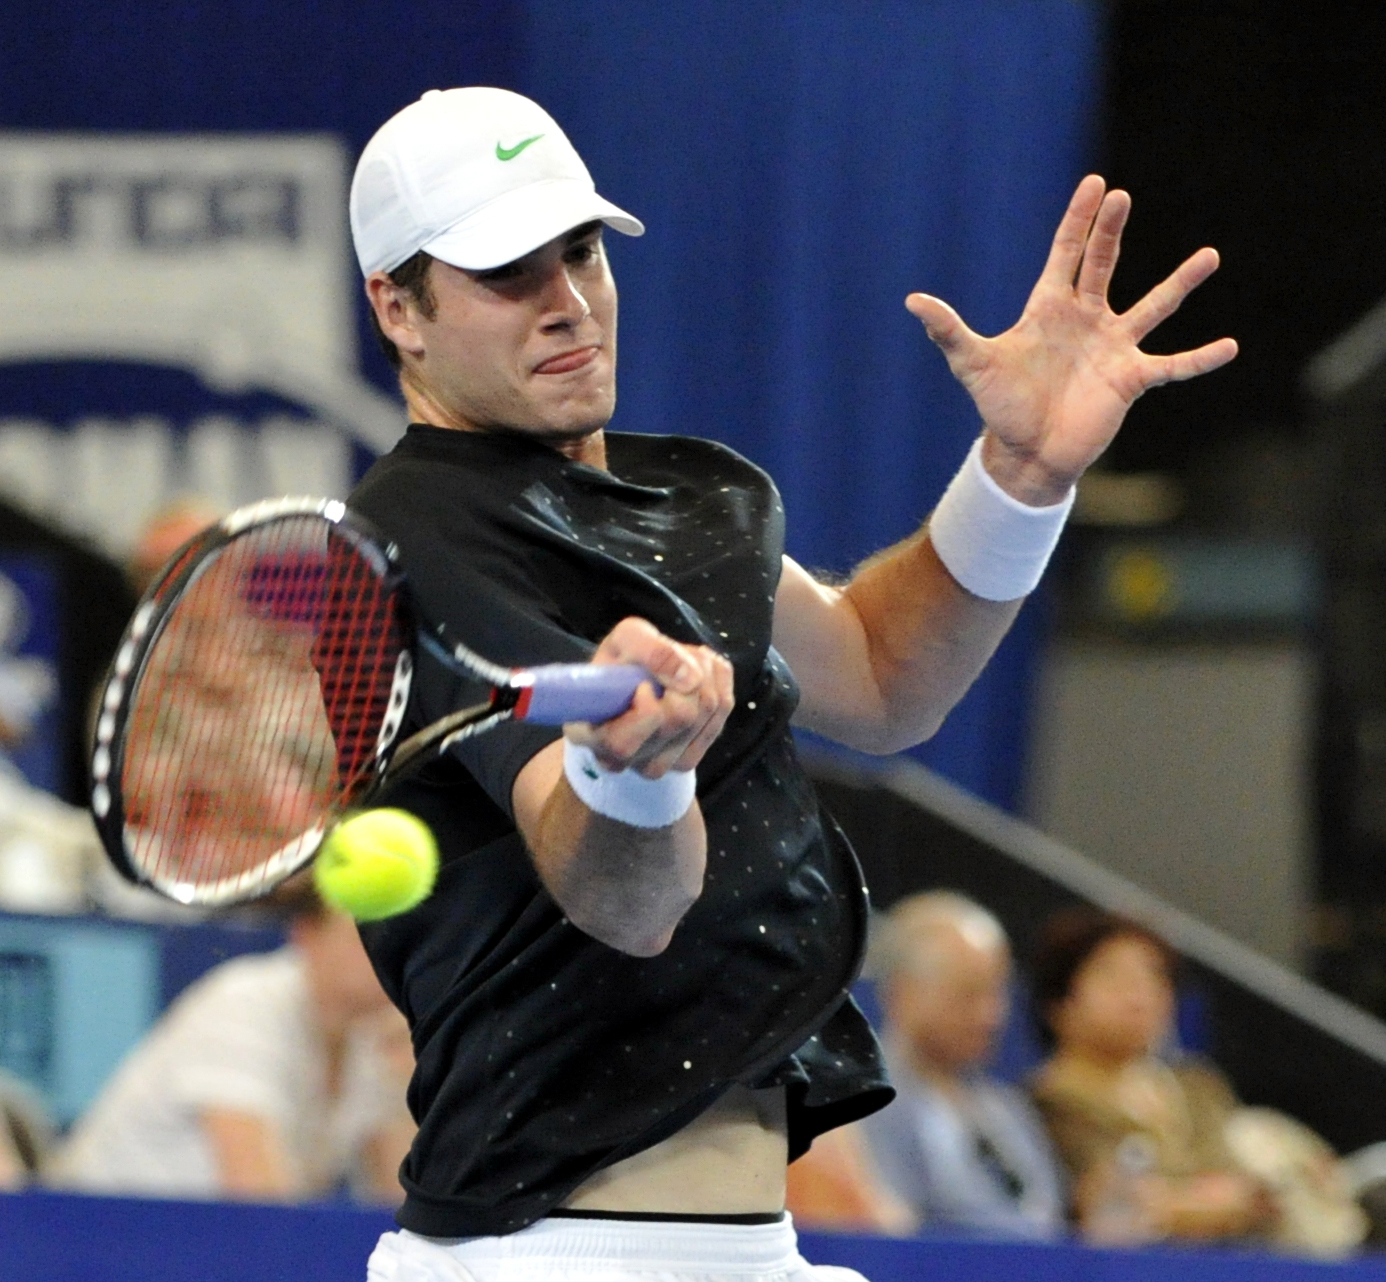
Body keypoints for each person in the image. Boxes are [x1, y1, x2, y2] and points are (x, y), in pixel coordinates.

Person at [345, 86, 1236, 1280]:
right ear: (396, 307)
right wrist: (636, 772)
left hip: (754, 1248)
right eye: (510, 273)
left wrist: (1017, 476)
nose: (569, 303)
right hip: (543, 1256)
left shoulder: (689, 499)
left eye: (583, 252)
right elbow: (626, 901)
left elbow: (882, 677)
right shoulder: (407, 536)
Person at [48, 885, 414, 1205]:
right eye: (366, 934)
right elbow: (261, 1206)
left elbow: (398, 1206)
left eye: (400, 937)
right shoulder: (242, 1005)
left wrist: (411, 1086)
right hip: (91, 1249)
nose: (389, 953)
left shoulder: (373, 1038)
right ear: (307, 935)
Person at [1027, 907, 1364, 1252]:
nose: (1139, 996)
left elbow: (1249, 1189)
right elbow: (1111, 1207)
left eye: (1154, 978)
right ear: (1060, 1001)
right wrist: (1212, 1203)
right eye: (1115, 979)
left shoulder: (1197, 1086)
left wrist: (1193, 1201)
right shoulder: (1046, 1102)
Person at [842, 892, 1064, 1238]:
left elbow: (1049, 1220)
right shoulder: (856, 1106)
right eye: (968, 993)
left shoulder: (1008, 1108)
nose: (990, 1015)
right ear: (903, 993)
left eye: (997, 992)